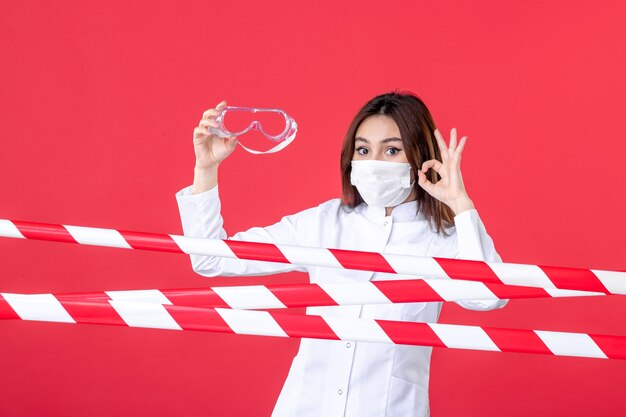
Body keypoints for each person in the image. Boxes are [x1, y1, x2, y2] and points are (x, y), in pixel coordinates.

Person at [175, 91, 507, 417]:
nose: (374, 162)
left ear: (420, 156)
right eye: (363, 150)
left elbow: (487, 296)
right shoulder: (323, 223)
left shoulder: (444, 239)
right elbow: (212, 259)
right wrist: (205, 168)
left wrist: (460, 205)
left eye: (391, 150)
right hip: (304, 406)